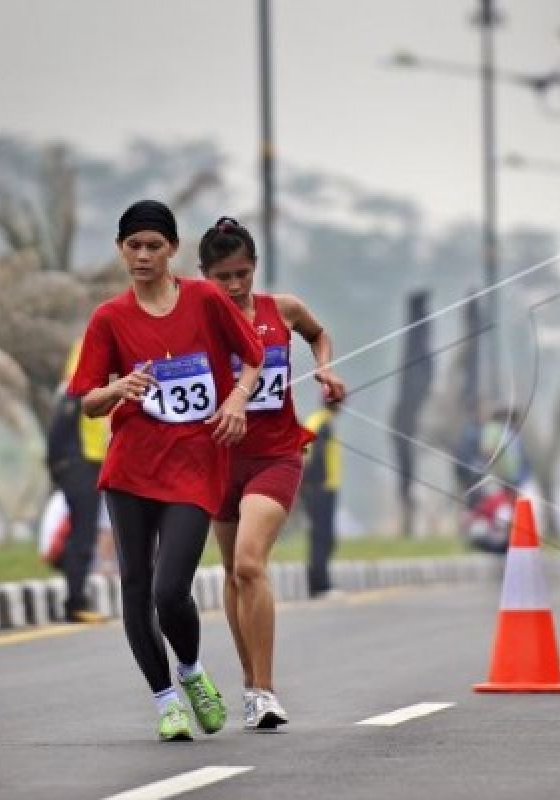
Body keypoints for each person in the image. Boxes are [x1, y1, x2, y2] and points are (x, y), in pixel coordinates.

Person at [67, 200, 264, 742]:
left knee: (170, 589)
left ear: (173, 249)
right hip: (131, 470)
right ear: (120, 250)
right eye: (134, 246)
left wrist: (237, 402)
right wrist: (118, 387)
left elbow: (253, 357)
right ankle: (166, 702)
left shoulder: (203, 300)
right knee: (135, 588)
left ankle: (193, 672)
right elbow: (87, 400)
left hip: (194, 467)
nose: (144, 255)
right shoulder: (109, 318)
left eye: (154, 245)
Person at [198, 216, 345, 730]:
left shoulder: (281, 310)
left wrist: (324, 367)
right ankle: (248, 683)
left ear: (254, 267)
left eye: (243, 273)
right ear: (204, 276)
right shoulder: (195, 318)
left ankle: (266, 689)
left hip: (276, 454)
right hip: (218, 458)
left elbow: (318, 334)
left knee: (249, 563)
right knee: (233, 574)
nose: (236, 285)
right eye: (223, 276)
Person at [44, 338, 112, 624]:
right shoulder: (75, 394)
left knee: (83, 533)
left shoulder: (87, 391)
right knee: (82, 535)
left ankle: (76, 598)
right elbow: (59, 431)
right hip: (80, 465)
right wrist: (59, 466)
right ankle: (75, 603)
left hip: (90, 463)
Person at [302, 398, 343, 597]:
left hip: (325, 489)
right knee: (321, 537)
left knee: (326, 537)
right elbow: (309, 458)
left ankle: (320, 583)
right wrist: (314, 484)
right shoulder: (320, 423)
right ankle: (320, 585)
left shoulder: (323, 421)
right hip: (319, 489)